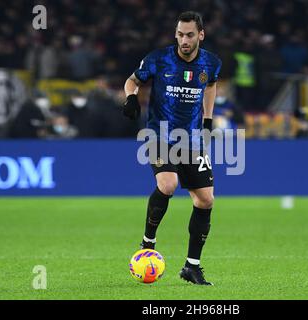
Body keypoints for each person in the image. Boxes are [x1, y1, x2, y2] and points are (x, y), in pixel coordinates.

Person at [123, 11, 221, 285]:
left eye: (189, 35)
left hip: (191, 139)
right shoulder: (158, 58)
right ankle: (147, 243)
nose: (184, 40)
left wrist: (208, 118)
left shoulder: (212, 63)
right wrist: (131, 98)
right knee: (168, 184)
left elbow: (211, 85)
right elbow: (132, 80)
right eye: (180, 34)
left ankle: (192, 266)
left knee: (206, 200)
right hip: (160, 135)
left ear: (200, 34)